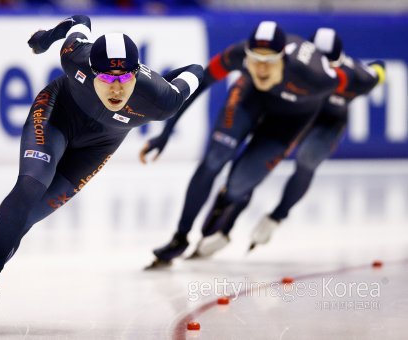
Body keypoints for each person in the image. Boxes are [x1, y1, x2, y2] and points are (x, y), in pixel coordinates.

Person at [0, 14, 203, 331]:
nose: (116, 90)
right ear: (90, 72)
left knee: (29, 215)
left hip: (98, 146)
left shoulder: (163, 100)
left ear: (135, 75)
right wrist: (46, 38)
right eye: (105, 80)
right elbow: (80, 20)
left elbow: (197, 71)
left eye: (124, 80)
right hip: (55, 118)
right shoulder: (76, 56)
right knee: (31, 185)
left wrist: (163, 81)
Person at [140, 21, 349, 268]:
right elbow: (198, 83)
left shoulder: (318, 77)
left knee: (239, 184)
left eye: (268, 62)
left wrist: (278, 215)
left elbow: (353, 90)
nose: (260, 68)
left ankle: (228, 204)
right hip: (249, 100)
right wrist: (165, 132)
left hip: (288, 122)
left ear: (282, 58)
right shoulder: (237, 54)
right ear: (246, 55)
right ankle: (180, 237)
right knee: (215, 158)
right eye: (255, 60)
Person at [187, 27, 386, 257]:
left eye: (328, 66)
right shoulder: (298, 68)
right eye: (317, 62)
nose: (321, 71)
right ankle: (225, 227)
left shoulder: (356, 77)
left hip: (326, 122)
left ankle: (277, 216)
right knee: (251, 169)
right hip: (294, 115)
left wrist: (276, 216)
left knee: (308, 160)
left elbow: (379, 69)